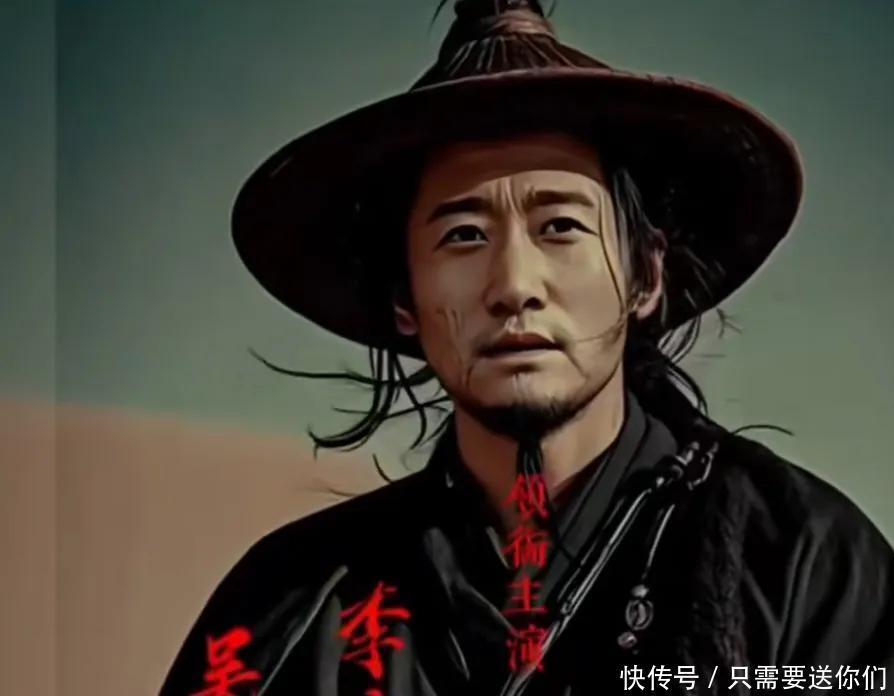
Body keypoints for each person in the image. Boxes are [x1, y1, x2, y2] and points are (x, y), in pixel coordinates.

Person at [162, 1, 894, 694]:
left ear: (645, 274)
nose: (514, 285)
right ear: (404, 298)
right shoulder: (286, 607)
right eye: (463, 235)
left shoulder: (804, 562)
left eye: (561, 227)